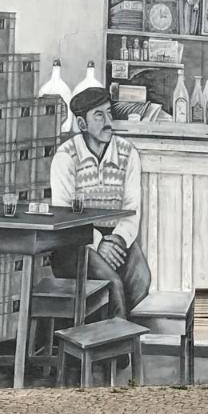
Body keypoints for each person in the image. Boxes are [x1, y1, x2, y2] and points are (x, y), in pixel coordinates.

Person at [49, 87, 149, 318]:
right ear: (82, 124)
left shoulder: (127, 153)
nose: (108, 122)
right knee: (112, 283)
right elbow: (65, 214)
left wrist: (119, 240)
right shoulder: (66, 157)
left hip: (115, 236)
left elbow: (132, 209)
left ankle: (109, 335)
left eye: (109, 113)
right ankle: (115, 350)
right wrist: (97, 244)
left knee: (140, 278)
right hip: (75, 241)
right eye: (99, 115)